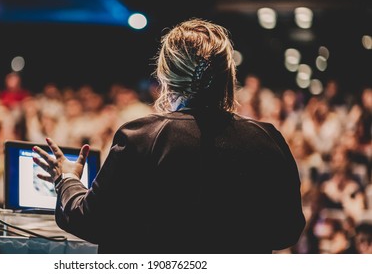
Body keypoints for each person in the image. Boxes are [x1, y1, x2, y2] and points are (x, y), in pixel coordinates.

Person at [33, 18, 305, 254]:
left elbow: (91, 221)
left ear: (165, 77)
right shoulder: (267, 139)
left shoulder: (141, 138)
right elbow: (287, 231)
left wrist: (66, 179)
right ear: (228, 76)